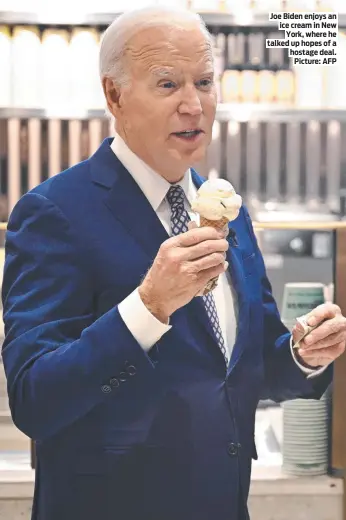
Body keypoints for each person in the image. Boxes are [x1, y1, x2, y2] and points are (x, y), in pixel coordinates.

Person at [1, 6, 345, 520]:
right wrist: (148, 306)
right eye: (167, 84)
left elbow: (245, 369)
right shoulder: (54, 212)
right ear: (114, 96)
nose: (194, 104)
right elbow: (35, 399)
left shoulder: (229, 212)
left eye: (205, 81)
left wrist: (302, 353)